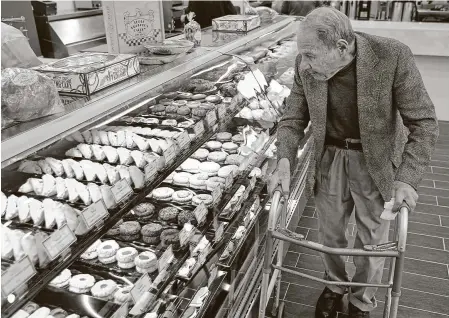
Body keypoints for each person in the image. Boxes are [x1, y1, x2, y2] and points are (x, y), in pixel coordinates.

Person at [271, 7, 438, 318]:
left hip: (374, 159)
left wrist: (406, 178)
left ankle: (361, 301)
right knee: (330, 232)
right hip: (328, 156)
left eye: (310, 55)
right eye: (303, 56)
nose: (304, 64)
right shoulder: (305, 64)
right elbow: (293, 116)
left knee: (372, 239)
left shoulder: (392, 56)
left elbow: (425, 122)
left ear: (341, 47)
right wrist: (284, 158)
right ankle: (335, 285)